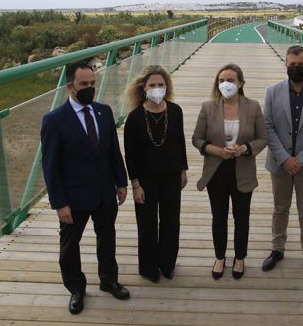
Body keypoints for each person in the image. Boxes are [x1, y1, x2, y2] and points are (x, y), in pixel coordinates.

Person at [40, 61, 130, 315]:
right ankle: (76, 289)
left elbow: (113, 151)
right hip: (73, 197)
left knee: (107, 237)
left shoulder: (103, 111)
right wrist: (59, 203)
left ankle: (109, 280)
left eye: (92, 83)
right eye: (84, 85)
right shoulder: (54, 120)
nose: (90, 88)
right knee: (70, 246)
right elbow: (50, 166)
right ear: (70, 86)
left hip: (104, 192)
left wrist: (121, 182)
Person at [192, 63, 267, 280]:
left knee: (242, 217)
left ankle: (240, 257)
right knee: (219, 216)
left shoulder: (253, 107)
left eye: (231, 80)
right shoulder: (208, 107)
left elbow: (263, 138)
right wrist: (216, 150)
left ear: (241, 83)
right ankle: (220, 257)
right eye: (222, 80)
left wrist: (244, 149)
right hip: (216, 170)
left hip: (242, 169)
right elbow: (197, 138)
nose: (226, 84)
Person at [262, 45, 303, 280]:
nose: (296, 68)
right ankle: (277, 249)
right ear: (286, 64)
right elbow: (268, 127)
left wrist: (299, 160)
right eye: (292, 64)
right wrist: (284, 158)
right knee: (279, 209)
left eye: (300, 65)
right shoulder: (273, 92)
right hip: (279, 163)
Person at [123, 65, 188, 284]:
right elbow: (130, 156)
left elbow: (180, 143)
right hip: (146, 180)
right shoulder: (134, 118)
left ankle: (167, 264)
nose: (157, 89)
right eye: (153, 85)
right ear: (144, 88)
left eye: (161, 84)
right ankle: (149, 268)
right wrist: (135, 185)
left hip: (171, 176)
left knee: (171, 222)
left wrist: (183, 170)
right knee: (147, 224)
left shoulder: (175, 111)